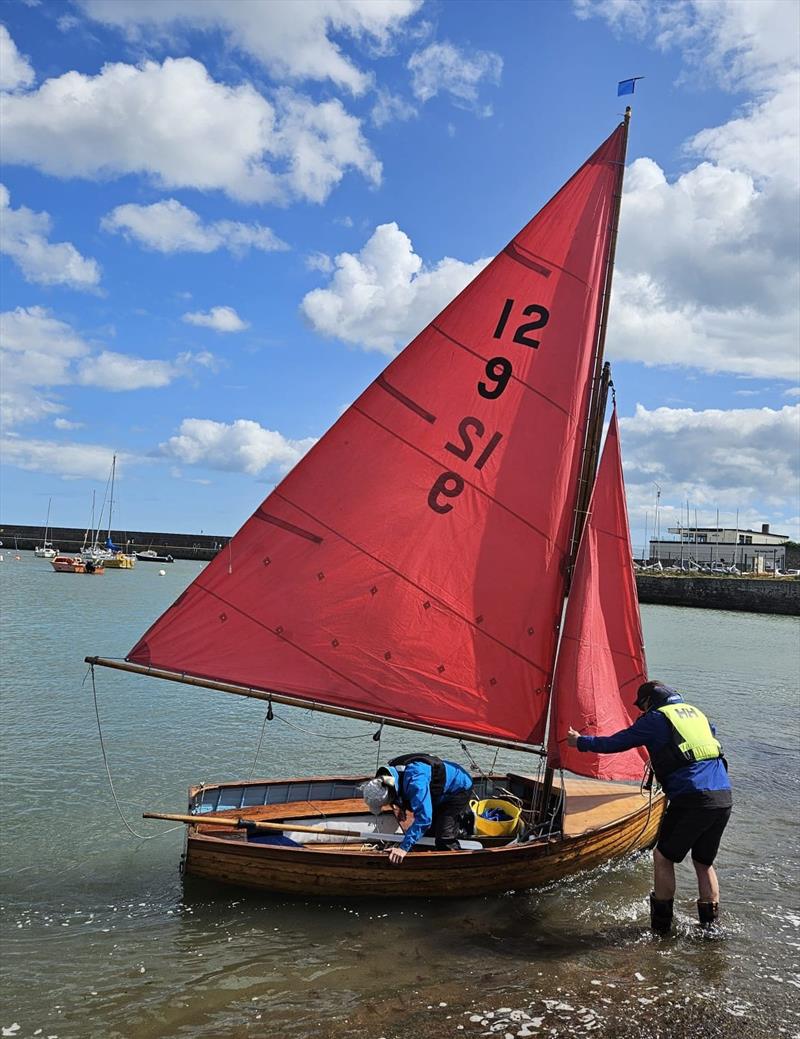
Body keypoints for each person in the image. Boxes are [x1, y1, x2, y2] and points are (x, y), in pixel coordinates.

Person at [567, 680, 732, 934]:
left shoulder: (655, 719)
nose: (641, 713)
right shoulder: (697, 714)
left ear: (648, 702)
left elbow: (617, 742)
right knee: (703, 862)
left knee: (663, 856)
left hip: (692, 798)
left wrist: (580, 742)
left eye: (641, 707)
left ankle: (661, 930)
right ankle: (711, 929)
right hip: (723, 797)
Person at [361, 753, 474, 864]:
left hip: (459, 789)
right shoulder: (385, 779)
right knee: (428, 834)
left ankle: (458, 865)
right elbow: (395, 790)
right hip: (437, 789)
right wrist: (400, 807)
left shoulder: (416, 783)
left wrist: (403, 848)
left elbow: (424, 819)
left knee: (443, 837)